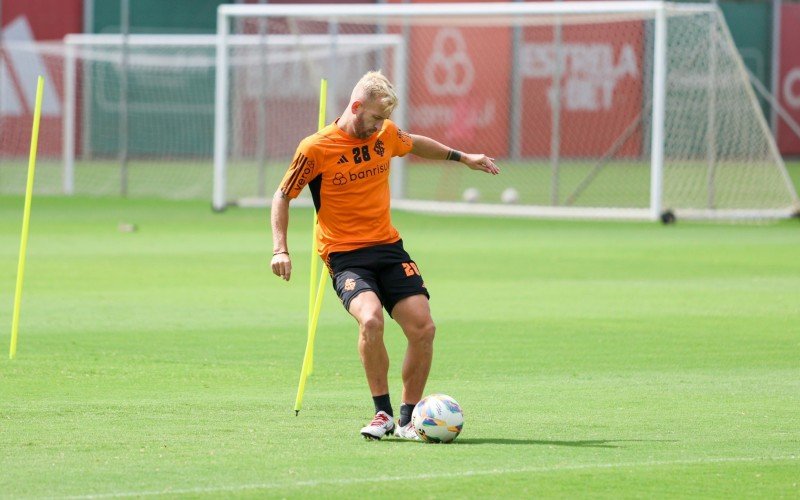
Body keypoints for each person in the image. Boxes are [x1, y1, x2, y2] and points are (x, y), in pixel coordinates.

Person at [270, 70, 499, 440]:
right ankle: (383, 414)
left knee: (423, 327)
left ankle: (408, 420)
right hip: (345, 255)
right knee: (371, 320)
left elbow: (414, 143)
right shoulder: (316, 148)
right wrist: (280, 248)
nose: (381, 127)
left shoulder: (385, 134)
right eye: (375, 118)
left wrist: (462, 157)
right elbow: (283, 195)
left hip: (389, 249)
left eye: (385, 120)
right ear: (356, 106)